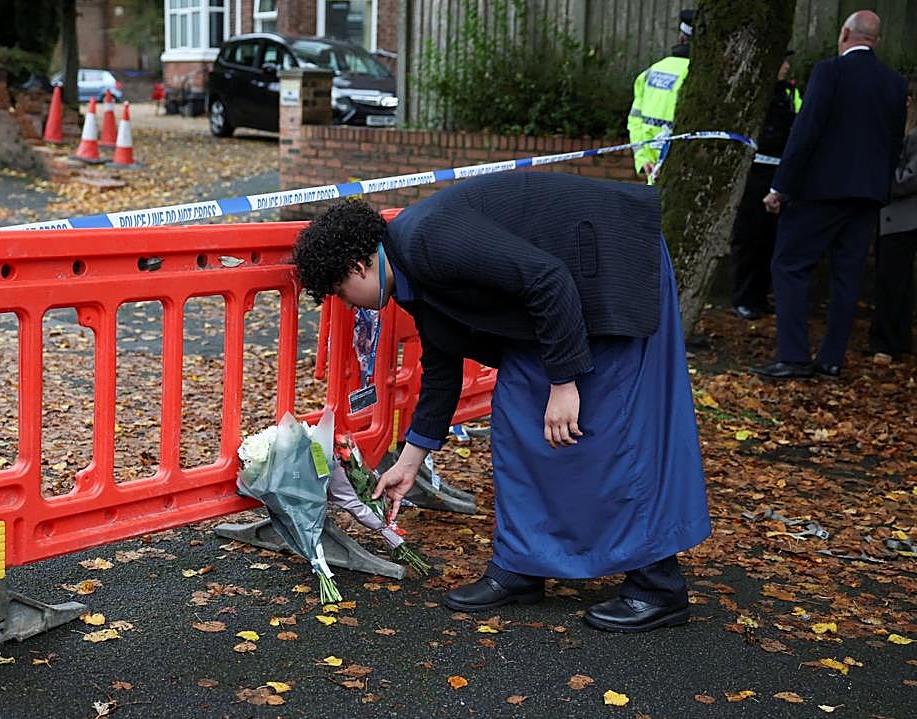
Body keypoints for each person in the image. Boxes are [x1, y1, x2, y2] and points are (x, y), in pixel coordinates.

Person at [290, 172, 712, 634]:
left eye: (340, 293)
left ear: (357, 266)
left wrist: (564, 383)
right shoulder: (408, 272)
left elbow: (547, 279)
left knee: (613, 428)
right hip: (560, 299)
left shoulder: (428, 240)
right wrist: (411, 460)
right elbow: (443, 366)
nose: (349, 306)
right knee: (516, 419)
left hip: (611, 265)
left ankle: (658, 587)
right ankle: (523, 566)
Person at [754, 10, 907, 380]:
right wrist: (880, 188)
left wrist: (780, 186)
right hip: (867, 194)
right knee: (847, 275)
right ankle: (831, 358)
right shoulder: (895, 83)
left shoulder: (829, 72)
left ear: (844, 34)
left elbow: (806, 131)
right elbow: (894, 143)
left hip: (819, 191)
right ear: (877, 40)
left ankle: (793, 355)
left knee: (790, 265)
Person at [729, 53, 803, 321]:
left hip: (779, 173)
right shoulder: (752, 95)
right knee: (749, 237)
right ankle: (742, 298)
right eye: (782, 61)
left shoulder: (790, 93)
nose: (786, 66)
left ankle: (759, 297)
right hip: (755, 172)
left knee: (770, 240)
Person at [868, 80, 917, 363]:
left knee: (892, 280)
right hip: (897, 215)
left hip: (901, 217)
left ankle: (886, 341)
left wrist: (884, 179)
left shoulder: (911, 135)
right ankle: (894, 338)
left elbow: (909, 177)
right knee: (896, 281)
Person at [627, 9, 694, 183]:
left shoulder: (650, 72)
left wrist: (643, 160)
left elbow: (634, 122)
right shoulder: (700, 78)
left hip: (653, 175)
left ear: (680, 38)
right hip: (685, 179)